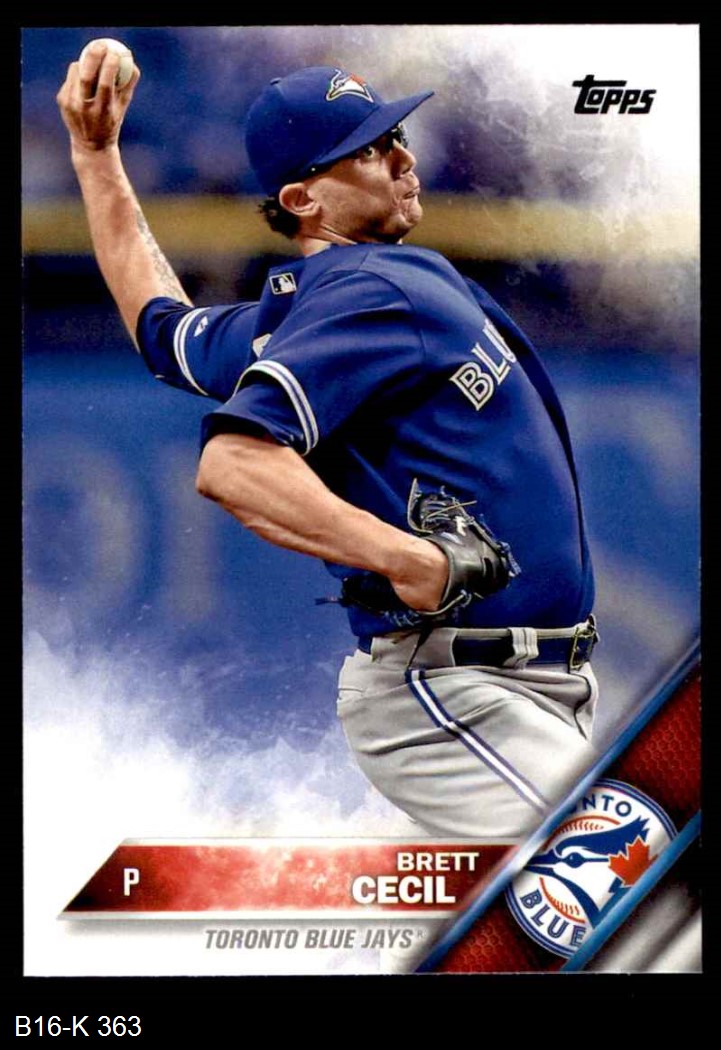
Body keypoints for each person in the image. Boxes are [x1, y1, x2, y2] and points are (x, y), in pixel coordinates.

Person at [57, 48, 600, 839]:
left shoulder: (314, 310)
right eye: (371, 150)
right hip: (455, 690)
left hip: (523, 688)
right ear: (302, 198)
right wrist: (405, 557)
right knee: (622, 872)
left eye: (395, 137)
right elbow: (234, 462)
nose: (404, 158)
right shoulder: (367, 291)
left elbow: (163, 329)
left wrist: (97, 154)